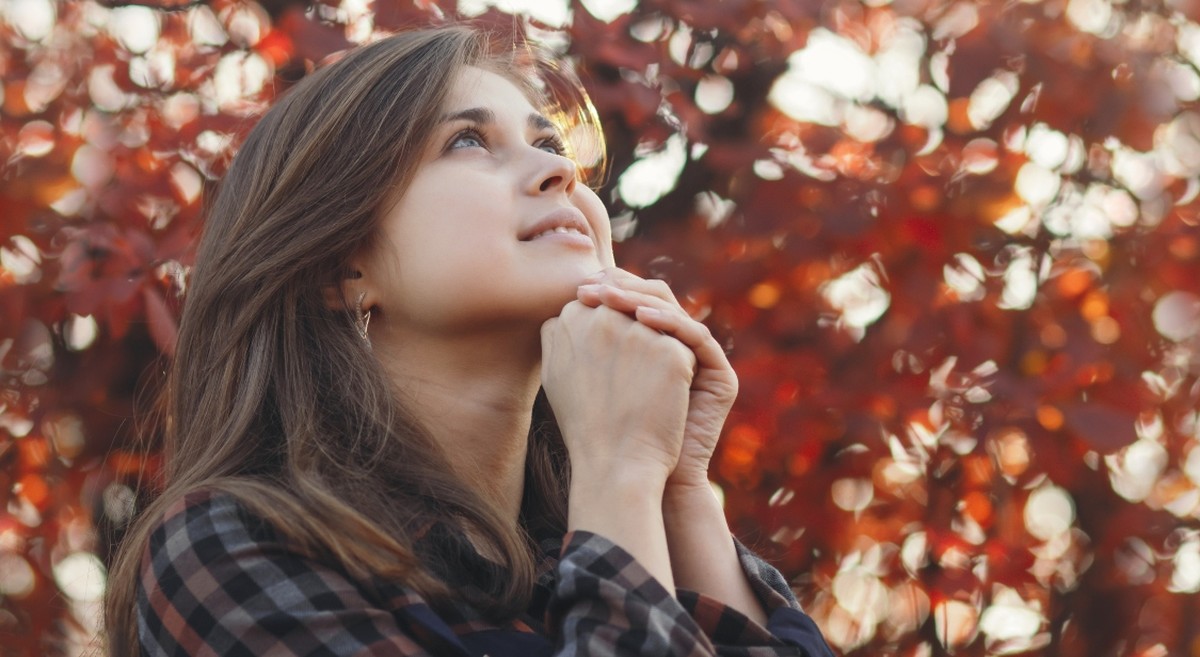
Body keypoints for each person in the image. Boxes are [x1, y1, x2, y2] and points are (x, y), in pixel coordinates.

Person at [103, 24, 833, 657]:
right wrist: (617, 473)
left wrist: (680, 486)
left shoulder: (598, 530)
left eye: (549, 144)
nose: (559, 171)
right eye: (469, 140)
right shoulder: (230, 547)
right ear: (342, 266)